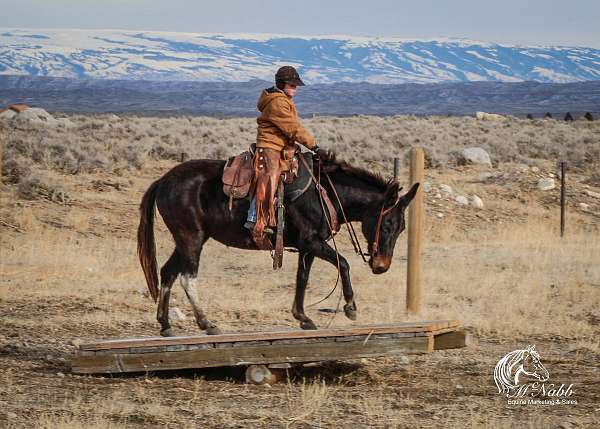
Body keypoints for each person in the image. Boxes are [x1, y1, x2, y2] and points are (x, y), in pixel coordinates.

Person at [246, 66, 322, 247]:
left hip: (282, 146)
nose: (295, 88)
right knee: (270, 175)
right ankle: (255, 218)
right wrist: (314, 146)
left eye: (296, 85)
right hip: (270, 146)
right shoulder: (277, 102)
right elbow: (293, 128)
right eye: (292, 85)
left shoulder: (282, 99)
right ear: (282, 84)